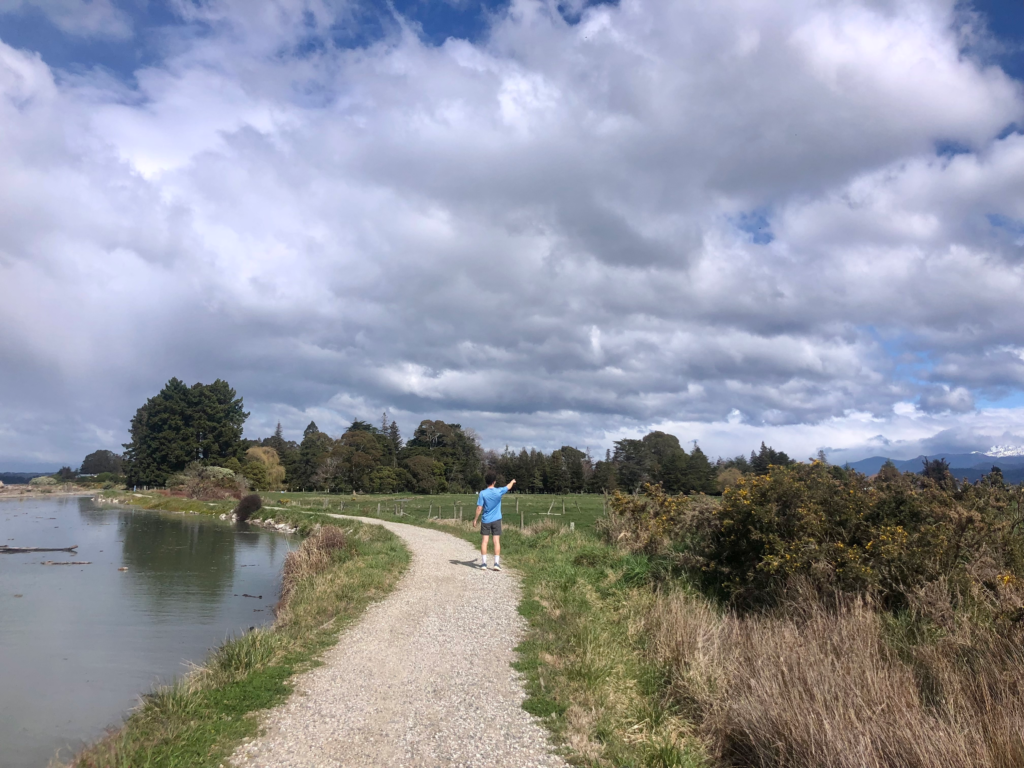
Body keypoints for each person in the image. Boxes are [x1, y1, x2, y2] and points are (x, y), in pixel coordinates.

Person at [474, 471, 515, 570]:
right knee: (496, 541)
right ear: (494, 482)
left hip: (486, 520)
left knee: (484, 541)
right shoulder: (499, 491)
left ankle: (484, 564)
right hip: (496, 519)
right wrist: (512, 481)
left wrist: (475, 519)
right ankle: (496, 564)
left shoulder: (483, 493)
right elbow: (508, 487)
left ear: (486, 482)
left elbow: (479, 508)